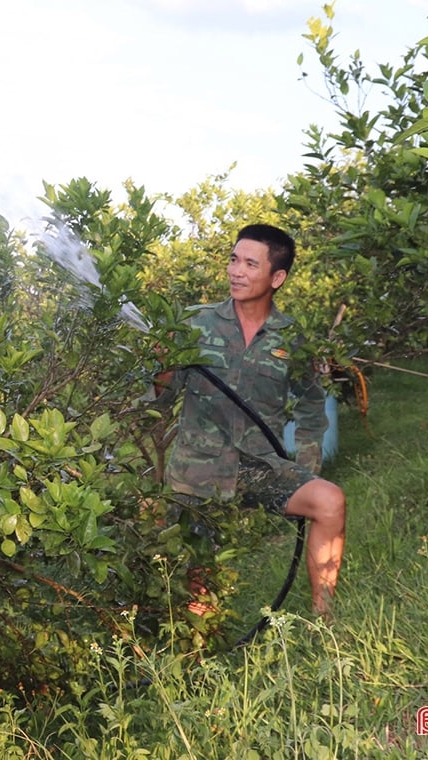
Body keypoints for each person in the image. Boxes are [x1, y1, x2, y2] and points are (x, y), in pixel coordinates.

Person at [154, 223, 346, 619]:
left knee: (329, 501)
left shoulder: (291, 337)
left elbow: (312, 407)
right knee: (202, 601)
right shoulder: (194, 324)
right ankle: (200, 651)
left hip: (261, 467)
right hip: (198, 475)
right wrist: (161, 367)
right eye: (233, 259)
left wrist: (304, 470)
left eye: (250, 264)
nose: (235, 271)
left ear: (277, 277)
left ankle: (324, 620)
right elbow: (158, 400)